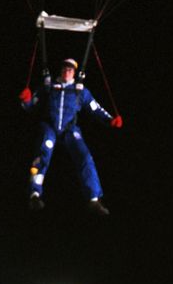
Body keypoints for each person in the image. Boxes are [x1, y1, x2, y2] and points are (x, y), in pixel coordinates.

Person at [19, 58, 122, 215]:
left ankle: (94, 199)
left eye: (70, 70)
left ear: (74, 73)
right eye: (65, 69)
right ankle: (34, 195)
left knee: (85, 157)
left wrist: (110, 120)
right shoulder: (49, 86)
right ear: (61, 70)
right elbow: (31, 104)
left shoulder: (80, 91)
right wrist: (25, 100)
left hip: (70, 129)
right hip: (50, 127)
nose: (67, 72)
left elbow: (95, 108)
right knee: (42, 154)